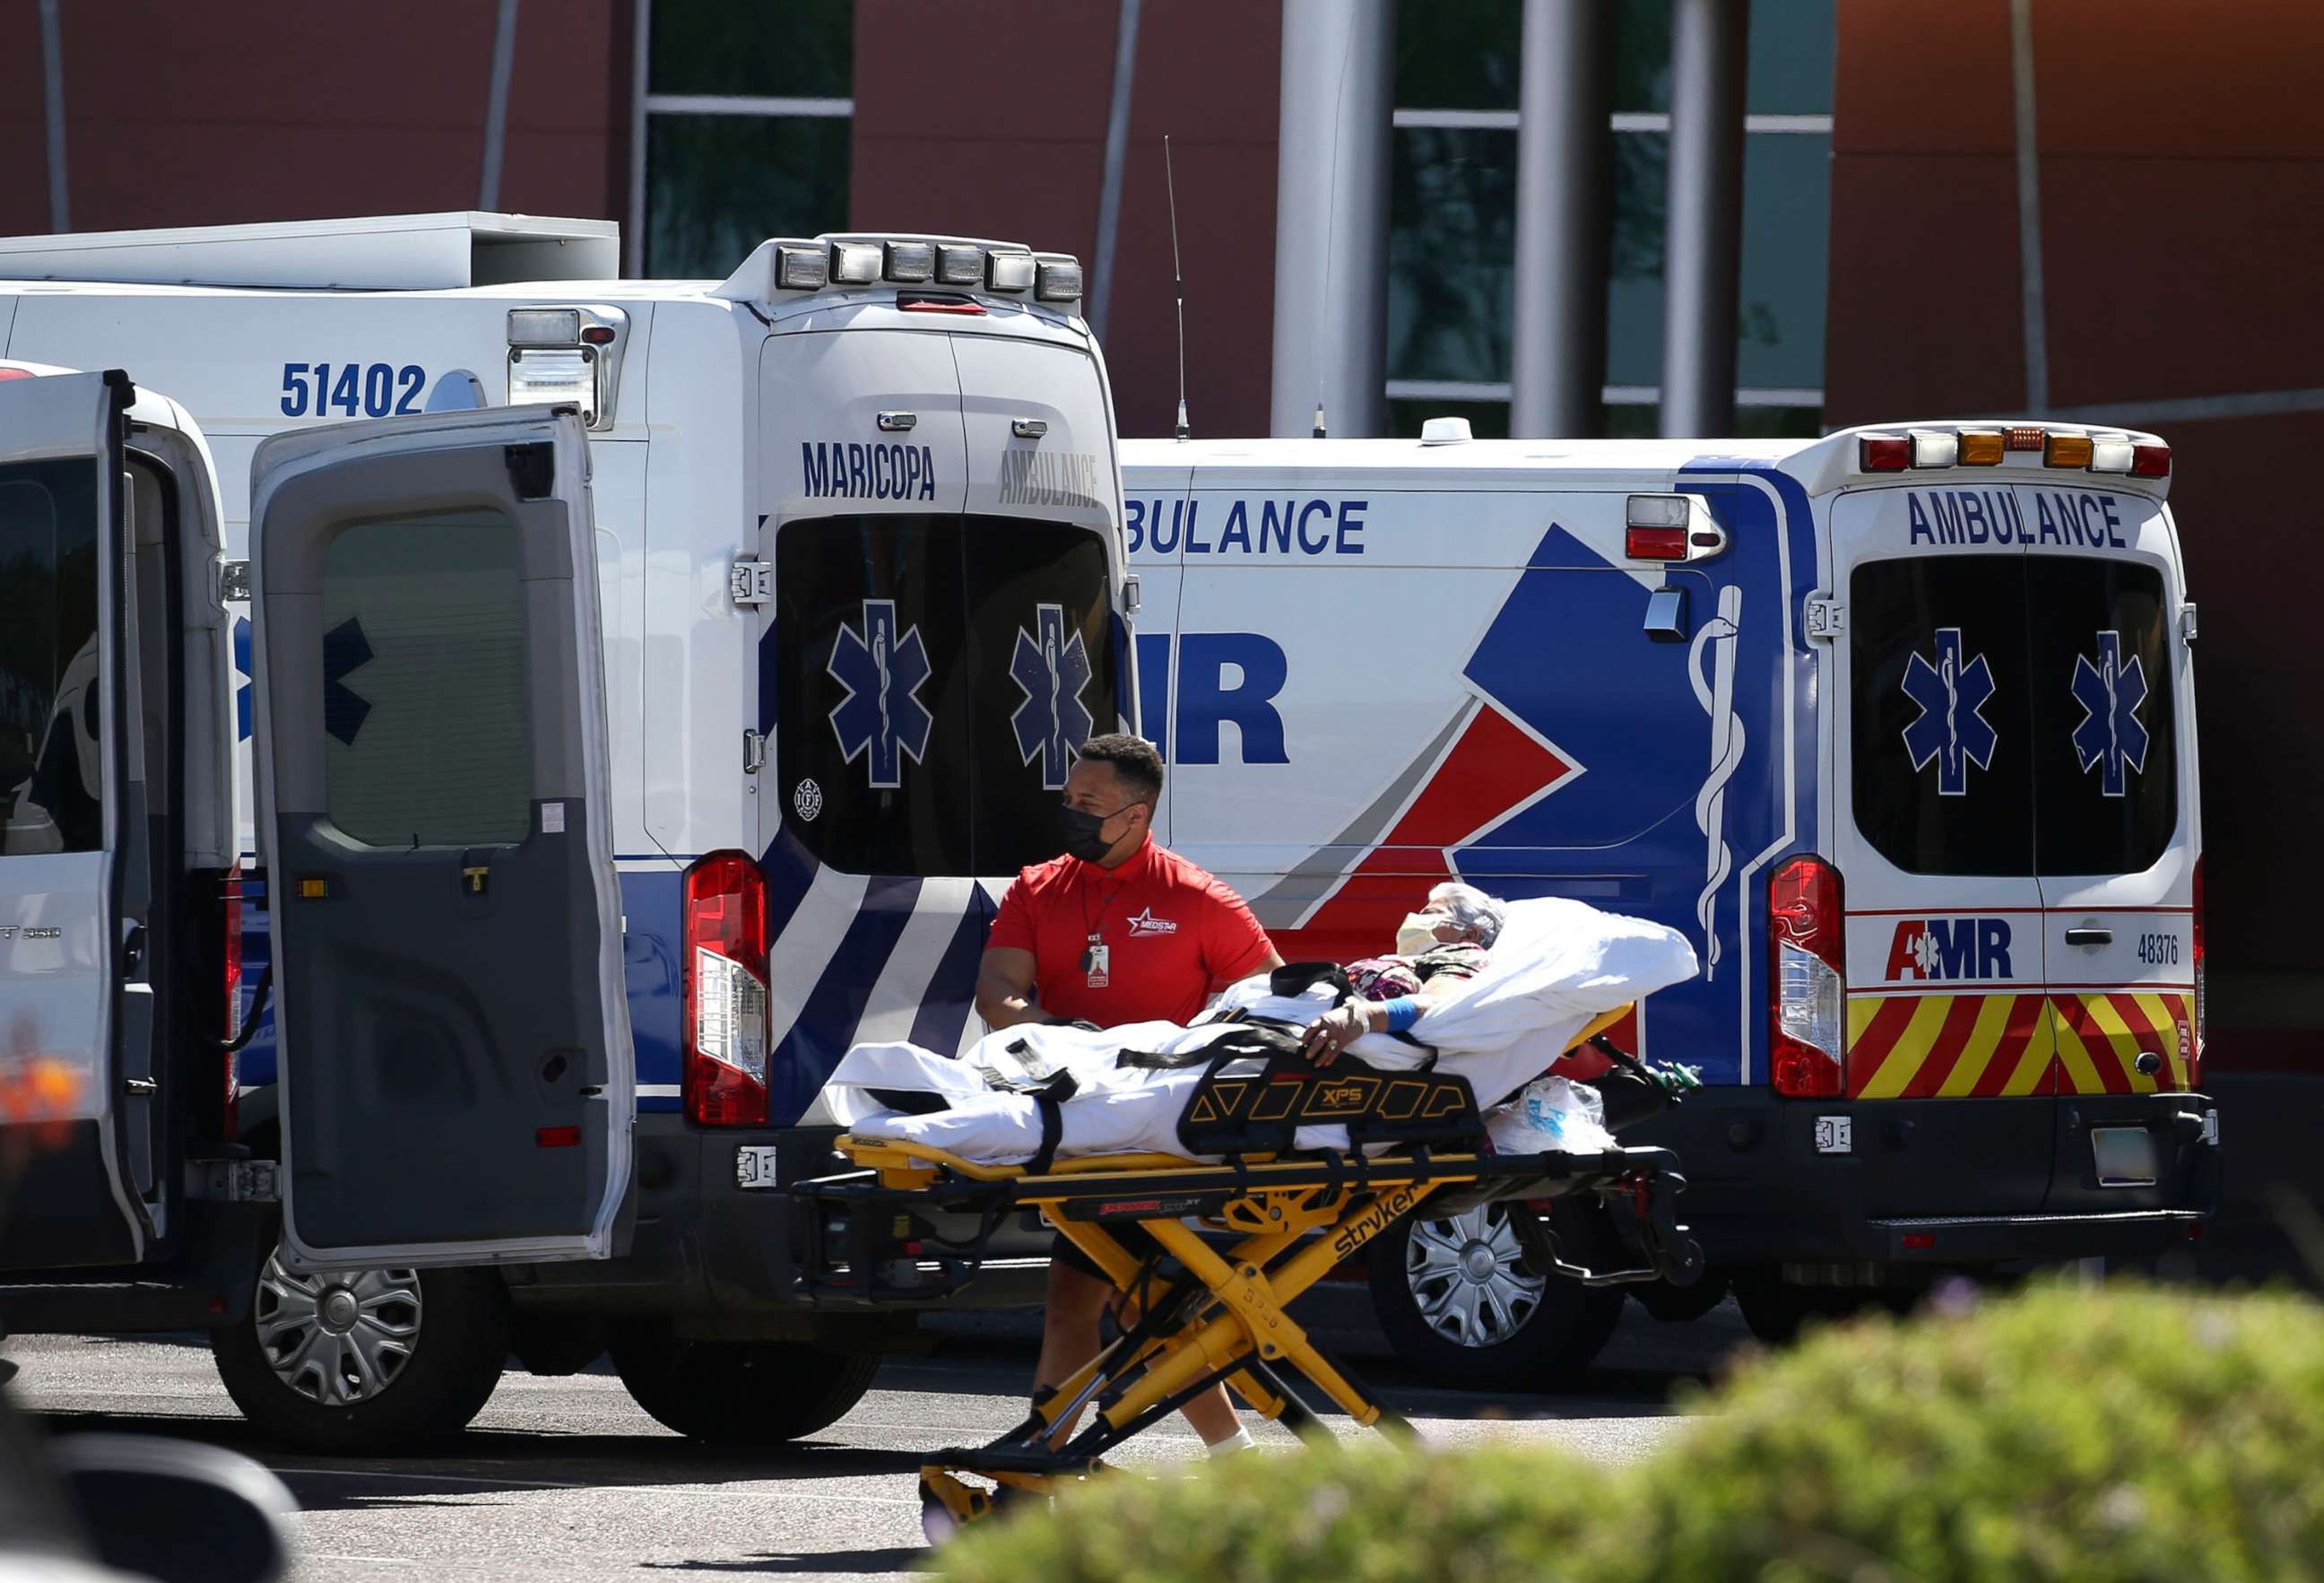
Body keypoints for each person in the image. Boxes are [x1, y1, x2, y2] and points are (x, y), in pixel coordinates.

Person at [976, 733, 1283, 1457]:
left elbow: (1273, 995)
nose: (1071, 812)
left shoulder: (1197, 898)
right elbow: (997, 994)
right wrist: (1065, 1032)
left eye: (1090, 802)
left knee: (1122, 1299)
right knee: (1112, 1300)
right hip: (1079, 1128)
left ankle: (1046, 1460)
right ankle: (1063, 1459)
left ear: (1136, 815)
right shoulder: (1037, 887)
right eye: (1069, 800)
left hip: (1156, 1134)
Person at [1296, 881, 1507, 1068]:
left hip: (1337, 1034)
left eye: (1430, 915)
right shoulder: (1407, 961)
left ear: (1469, 934)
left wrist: (1362, 1018)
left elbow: (1436, 1003)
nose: (1413, 920)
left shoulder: (1463, 954)